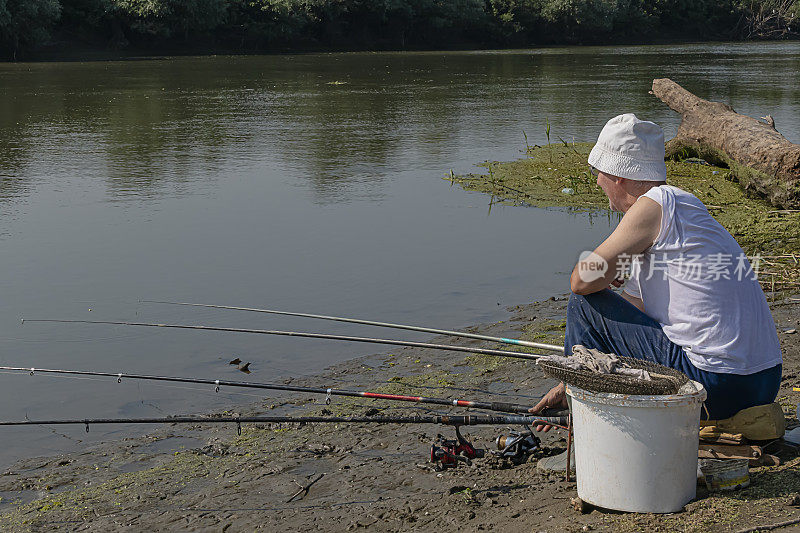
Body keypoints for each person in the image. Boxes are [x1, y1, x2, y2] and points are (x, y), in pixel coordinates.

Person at [532, 113, 782, 429]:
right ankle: (579, 393)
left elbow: (581, 281)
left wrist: (574, 376)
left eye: (598, 172)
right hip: (762, 382)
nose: (597, 181)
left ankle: (585, 415)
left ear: (617, 175)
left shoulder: (655, 203)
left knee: (583, 304)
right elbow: (633, 311)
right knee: (598, 301)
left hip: (717, 384)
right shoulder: (685, 210)